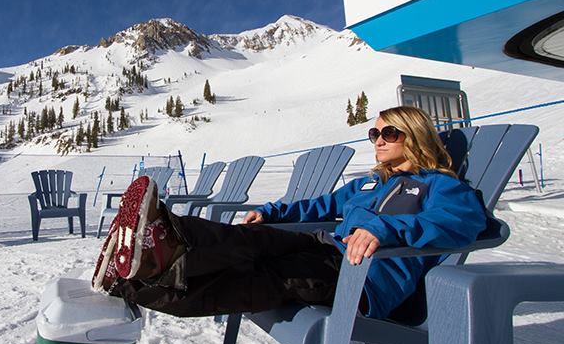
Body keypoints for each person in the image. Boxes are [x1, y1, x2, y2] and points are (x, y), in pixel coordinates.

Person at [92, 106, 487, 319]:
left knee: (265, 276)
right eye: (374, 133)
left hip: (362, 278)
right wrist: (273, 212)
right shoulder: (371, 182)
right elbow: (322, 205)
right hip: (328, 250)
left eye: (388, 133)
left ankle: (137, 281)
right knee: (253, 239)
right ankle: (160, 236)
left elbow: (463, 223)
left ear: (414, 136)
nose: (378, 141)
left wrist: (384, 229)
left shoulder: (441, 185)